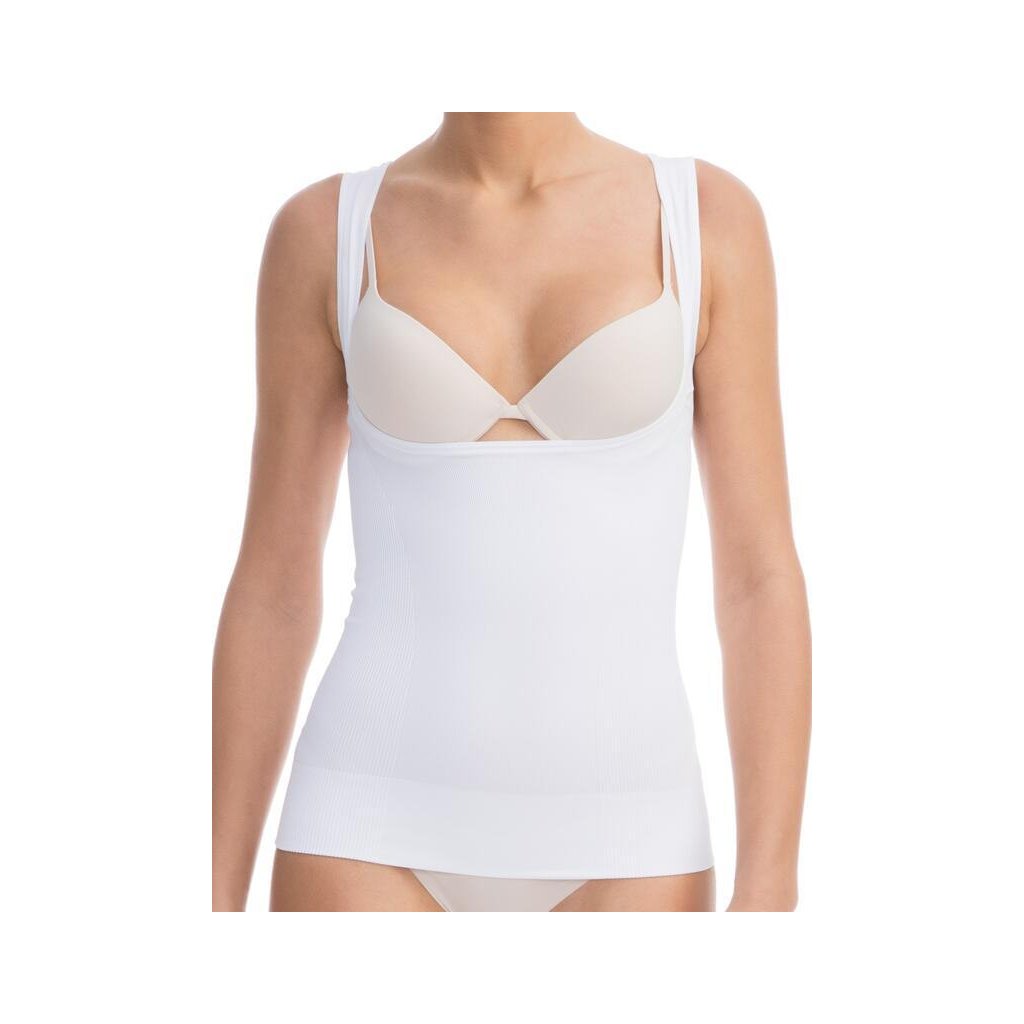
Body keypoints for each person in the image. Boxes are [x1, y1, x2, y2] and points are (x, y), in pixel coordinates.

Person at [212, 113, 811, 912]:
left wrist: (770, 883)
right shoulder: (325, 231)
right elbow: (274, 586)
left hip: (633, 835)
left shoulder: (704, 220)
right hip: (362, 820)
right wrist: (213, 896)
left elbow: (758, 578)